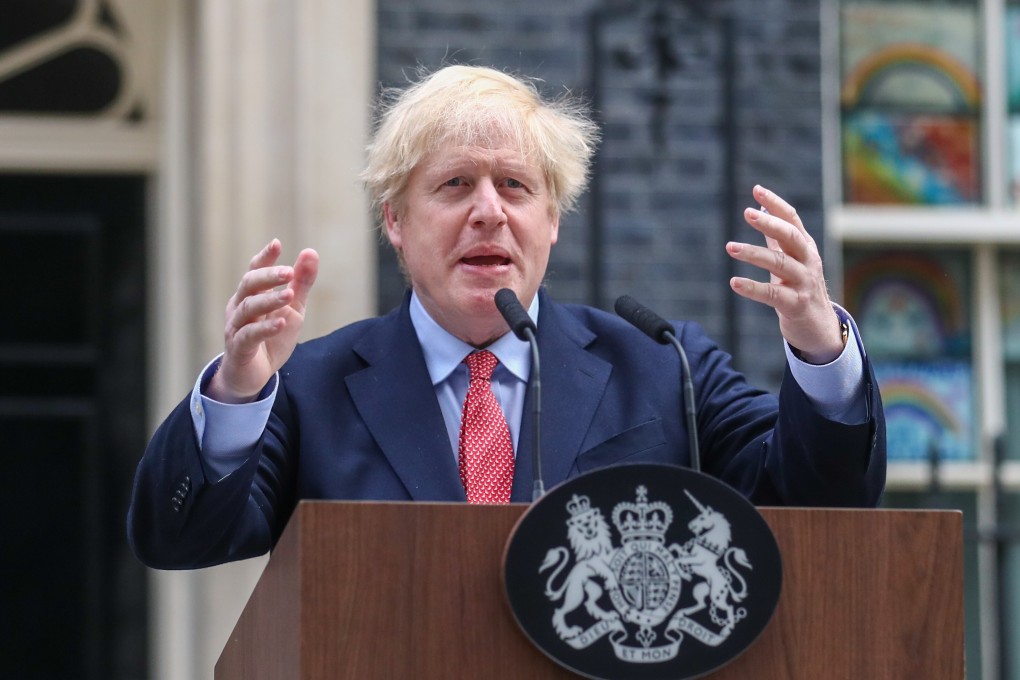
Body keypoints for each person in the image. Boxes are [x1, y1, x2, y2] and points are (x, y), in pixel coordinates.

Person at [128, 65, 885, 570]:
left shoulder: (662, 365)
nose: (489, 212)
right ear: (394, 220)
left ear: (552, 219)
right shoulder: (312, 386)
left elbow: (820, 503)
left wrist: (821, 349)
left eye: (516, 187)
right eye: (455, 184)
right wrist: (235, 390)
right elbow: (180, 538)